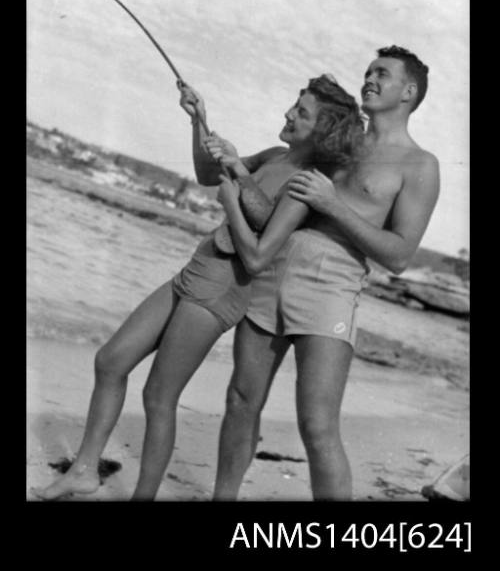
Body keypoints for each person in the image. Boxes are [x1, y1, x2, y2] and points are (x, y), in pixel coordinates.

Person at [32, 74, 362, 501]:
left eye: (301, 112)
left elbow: (259, 254)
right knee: (110, 361)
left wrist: (234, 195)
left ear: (322, 129)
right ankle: (83, 470)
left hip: (222, 290)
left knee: (158, 395)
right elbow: (209, 174)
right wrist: (198, 121)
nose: (288, 113)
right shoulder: (276, 155)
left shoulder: (306, 182)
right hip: (197, 268)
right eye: (293, 105)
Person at [212, 45, 440, 501]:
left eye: (382, 73)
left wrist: (332, 204)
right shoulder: (339, 143)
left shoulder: (421, 165)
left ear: (409, 91)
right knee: (240, 400)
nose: (369, 79)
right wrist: (238, 171)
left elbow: (398, 256)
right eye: (369, 71)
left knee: (316, 425)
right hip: (273, 270)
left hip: (332, 286)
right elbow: (275, 210)